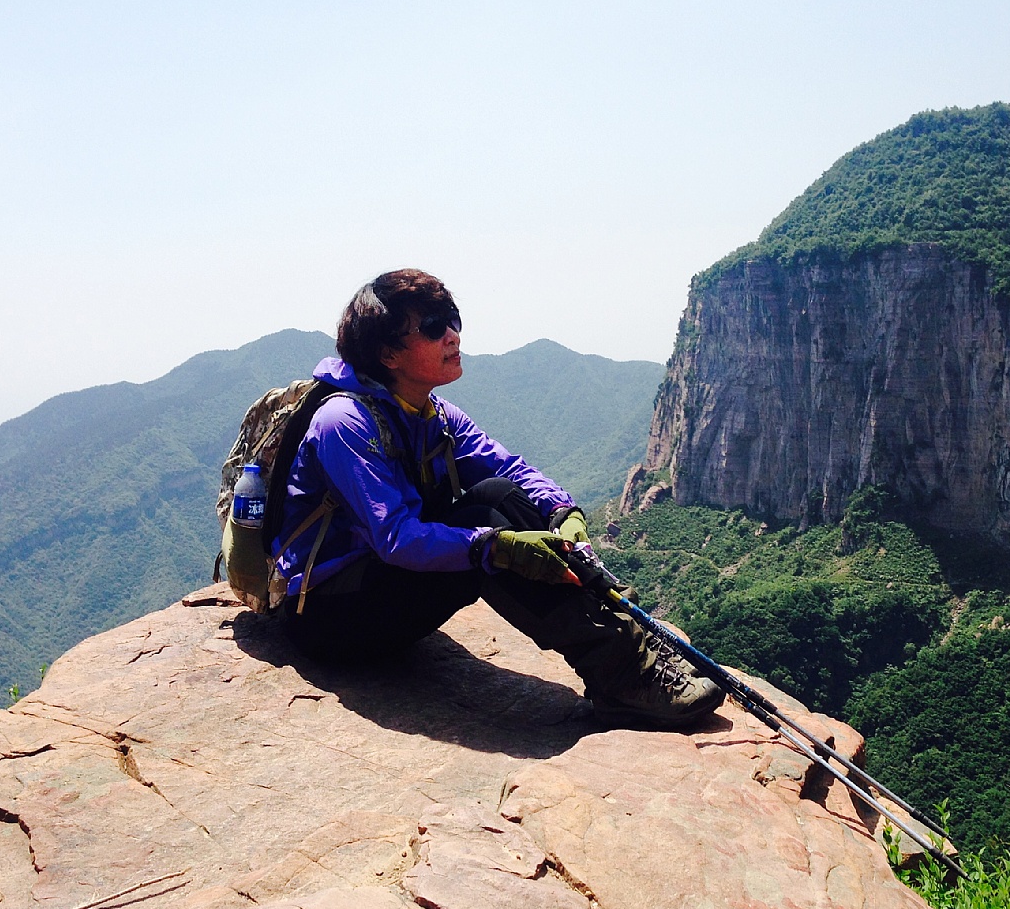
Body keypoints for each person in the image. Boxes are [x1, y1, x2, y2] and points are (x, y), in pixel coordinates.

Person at [273, 268, 723, 728]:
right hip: (331, 615)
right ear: (388, 354)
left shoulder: (432, 413)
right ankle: (622, 676)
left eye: (452, 319)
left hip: (384, 587)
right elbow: (395, 537)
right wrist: (495, 547)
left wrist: (562, 510)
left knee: (498, 495)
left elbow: (507, 469)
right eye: (433, 328)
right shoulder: (344, 423)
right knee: (484, 528)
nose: (452, 335)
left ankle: (630, 637)